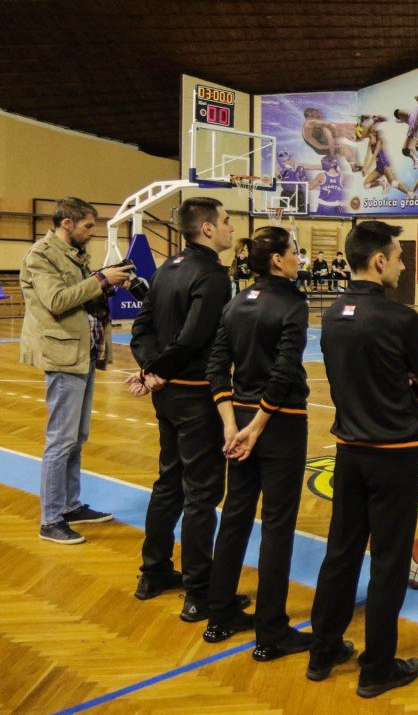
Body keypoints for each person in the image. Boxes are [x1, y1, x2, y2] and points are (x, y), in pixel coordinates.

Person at [308, 221, 418, 699]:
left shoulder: (332, 315)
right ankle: (377, 668)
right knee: (389, 562)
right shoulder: (401, 319)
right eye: (399, 256)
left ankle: (323, 650)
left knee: (341, 552)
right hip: (394, 454)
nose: (404, 265)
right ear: (379, 260)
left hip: (349, 450)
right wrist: (404, 382)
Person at [202, 227, 312, 660]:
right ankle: (271, 632)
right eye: (294, 252)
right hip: (279, 424)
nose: (299, 258)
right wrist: (259, 424)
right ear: (277, 261)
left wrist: (232, 425)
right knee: (278, 526)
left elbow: (216, 366)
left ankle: (219, 615)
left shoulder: (235, 303)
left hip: (241, 422)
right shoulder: (293, 304)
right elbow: (283, 374)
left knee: (234, 516)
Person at [131, 197, 242, 622]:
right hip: (196, 396)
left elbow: (141, 328)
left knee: (168, 483)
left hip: (167, 395)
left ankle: (154, 572)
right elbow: (194, 337)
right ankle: (199, 592)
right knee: (200, 494)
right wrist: (156, 371)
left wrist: (151, 370)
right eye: (227, 221)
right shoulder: (212, 275)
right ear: (207, 228)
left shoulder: (167, 267)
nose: (232, 227)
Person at [20, 197, 129, 545]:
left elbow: (82, 298)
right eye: (88, 226)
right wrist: (100, 278)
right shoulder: (40, 255)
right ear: (67, 223)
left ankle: (69, 505)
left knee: (77, 437)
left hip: (84, 353)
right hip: (62, 356)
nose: (92, 232)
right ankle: (51, 520)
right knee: (61, 440)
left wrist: (108, 283)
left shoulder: (75, 255)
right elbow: (56, 301)